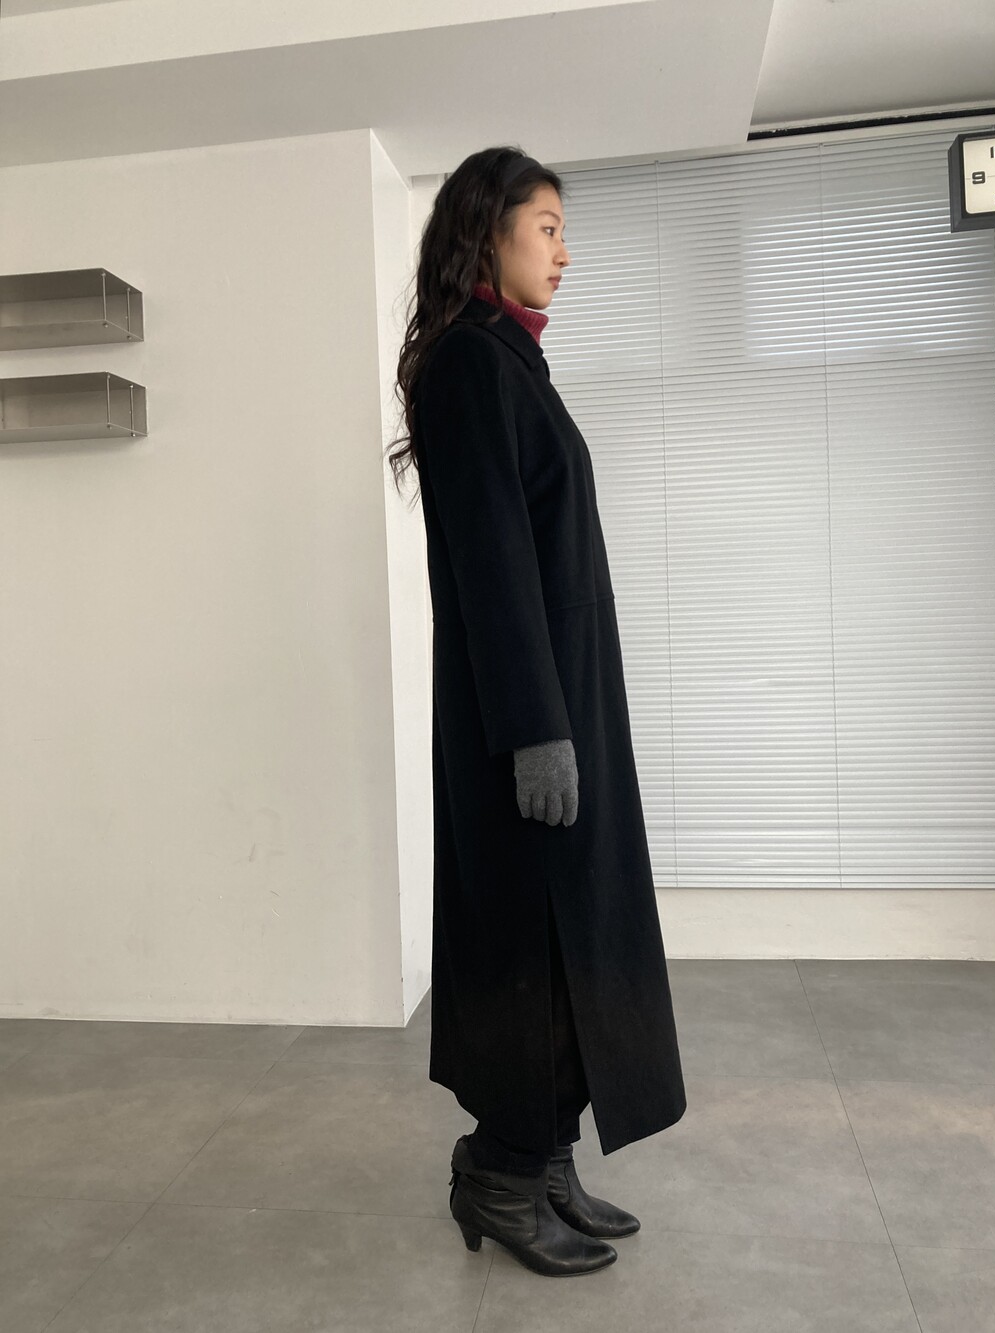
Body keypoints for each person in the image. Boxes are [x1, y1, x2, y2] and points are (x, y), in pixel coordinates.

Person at [386, 146, 686, 1278]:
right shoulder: (469, 363)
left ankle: (543, 1154)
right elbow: (493, 560)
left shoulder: (512, 359)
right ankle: (503, 1177)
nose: (566, 250)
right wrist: (533, 729)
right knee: (531, 944)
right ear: (490, 228)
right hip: (526, 720)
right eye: (549, 226)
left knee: (571, 941)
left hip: (562, 701)